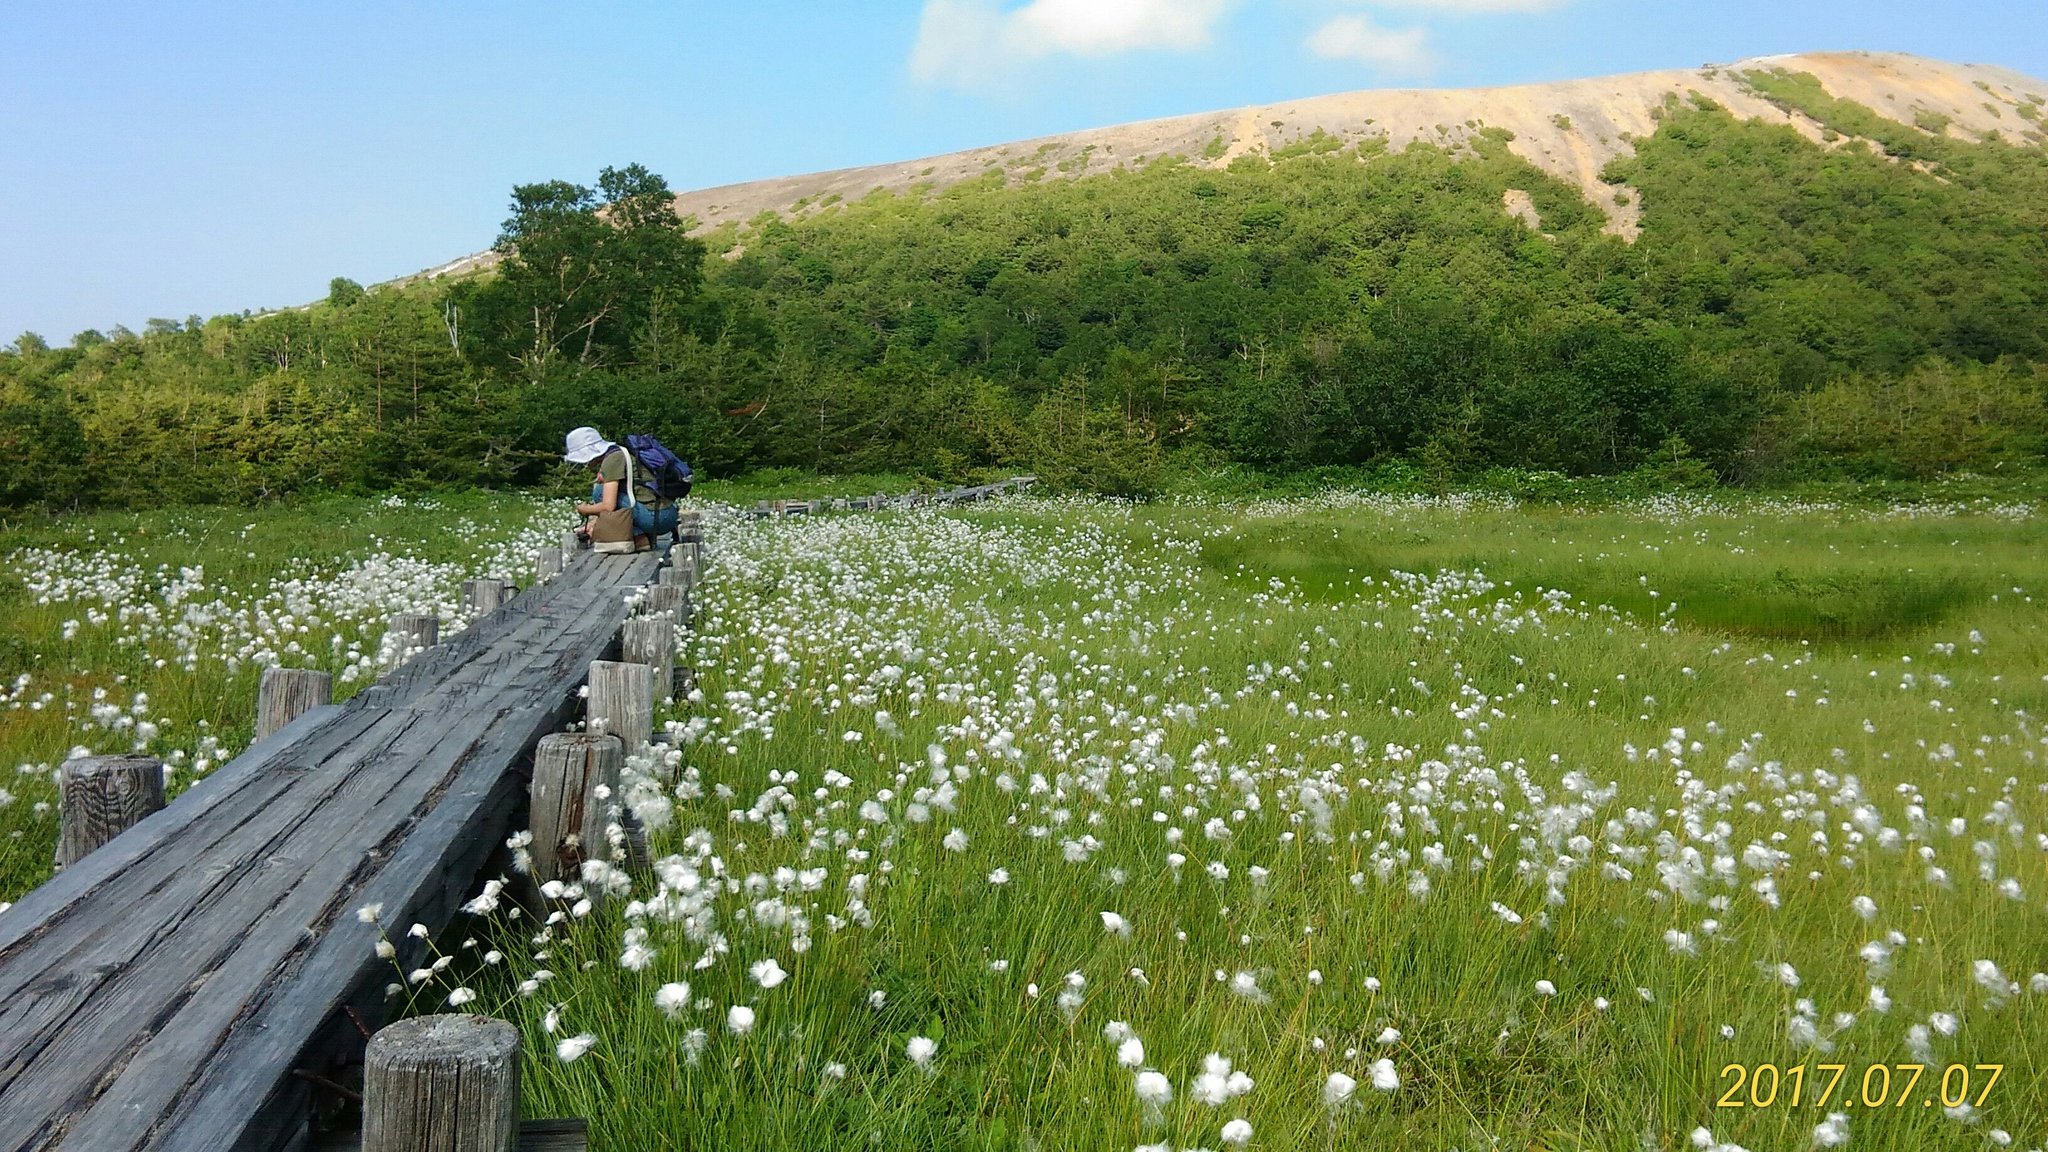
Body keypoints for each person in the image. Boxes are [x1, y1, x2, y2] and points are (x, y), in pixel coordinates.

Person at [564, 426, 677, 552]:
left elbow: (609, 506)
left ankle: (639, 537)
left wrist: (585, 509)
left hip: (655, 518)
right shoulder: (619, 452)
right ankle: (640, 537)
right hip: (666, 515)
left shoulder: (612, 460)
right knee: (602, 491)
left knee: (599, 492)